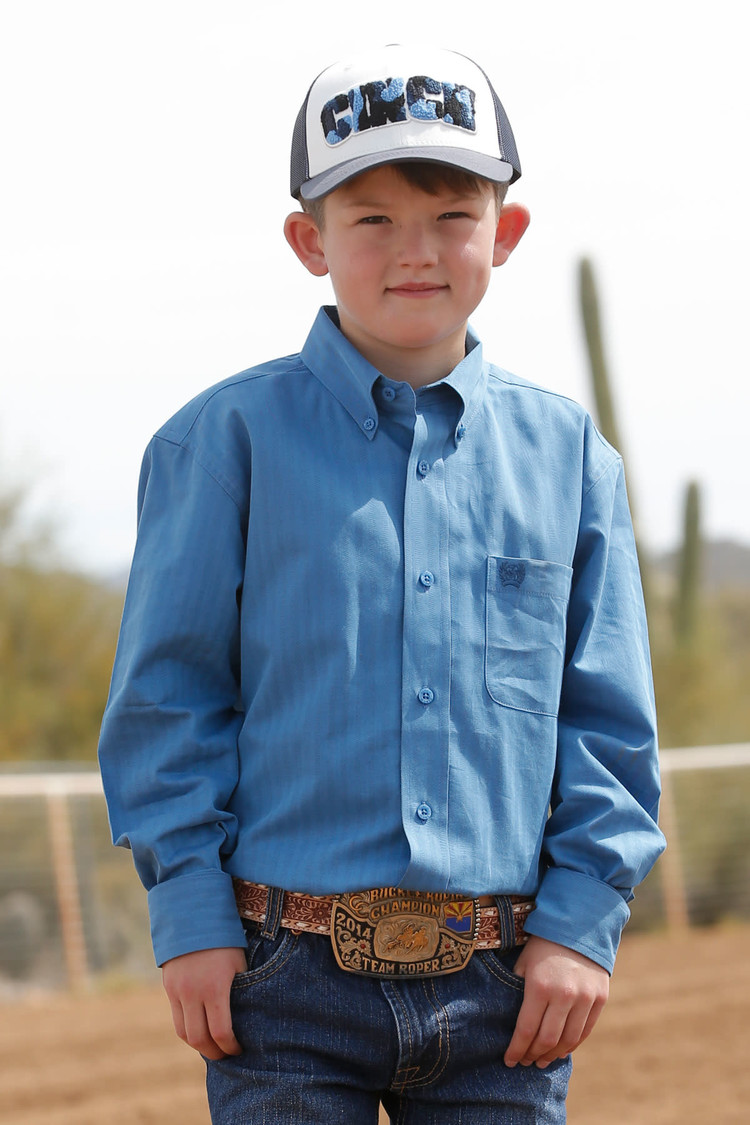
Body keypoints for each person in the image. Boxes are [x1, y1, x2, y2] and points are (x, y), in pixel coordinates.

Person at [98, 44, 665, 1124]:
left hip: (508, 993)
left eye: (453, 215)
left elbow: (607, 718)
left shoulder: (571, 457)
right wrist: (190, 916)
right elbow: (168, 701)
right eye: (371, 220)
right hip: (281, 985)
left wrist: (583, 918)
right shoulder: (222, 444)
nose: (418, 251)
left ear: (506, 232)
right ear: (309, 241)